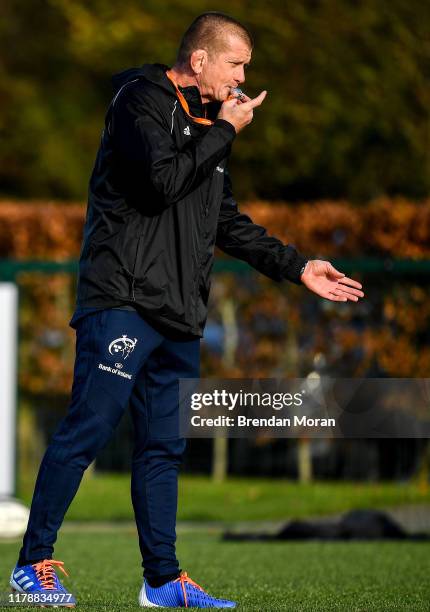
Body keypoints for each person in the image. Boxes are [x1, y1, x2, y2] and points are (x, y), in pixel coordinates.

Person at [10, 11, 364, 609]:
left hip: (178, 315)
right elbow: (159, 182)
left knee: (164, 448)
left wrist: (298, 266)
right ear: (199, 60)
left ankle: (162, 582)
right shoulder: (138, 101)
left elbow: (223, 220)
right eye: (236, 63)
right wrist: (223, 131)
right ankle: (30, 568)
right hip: (121, 300)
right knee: (89, 428)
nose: (243, 77)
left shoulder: (209, 126)